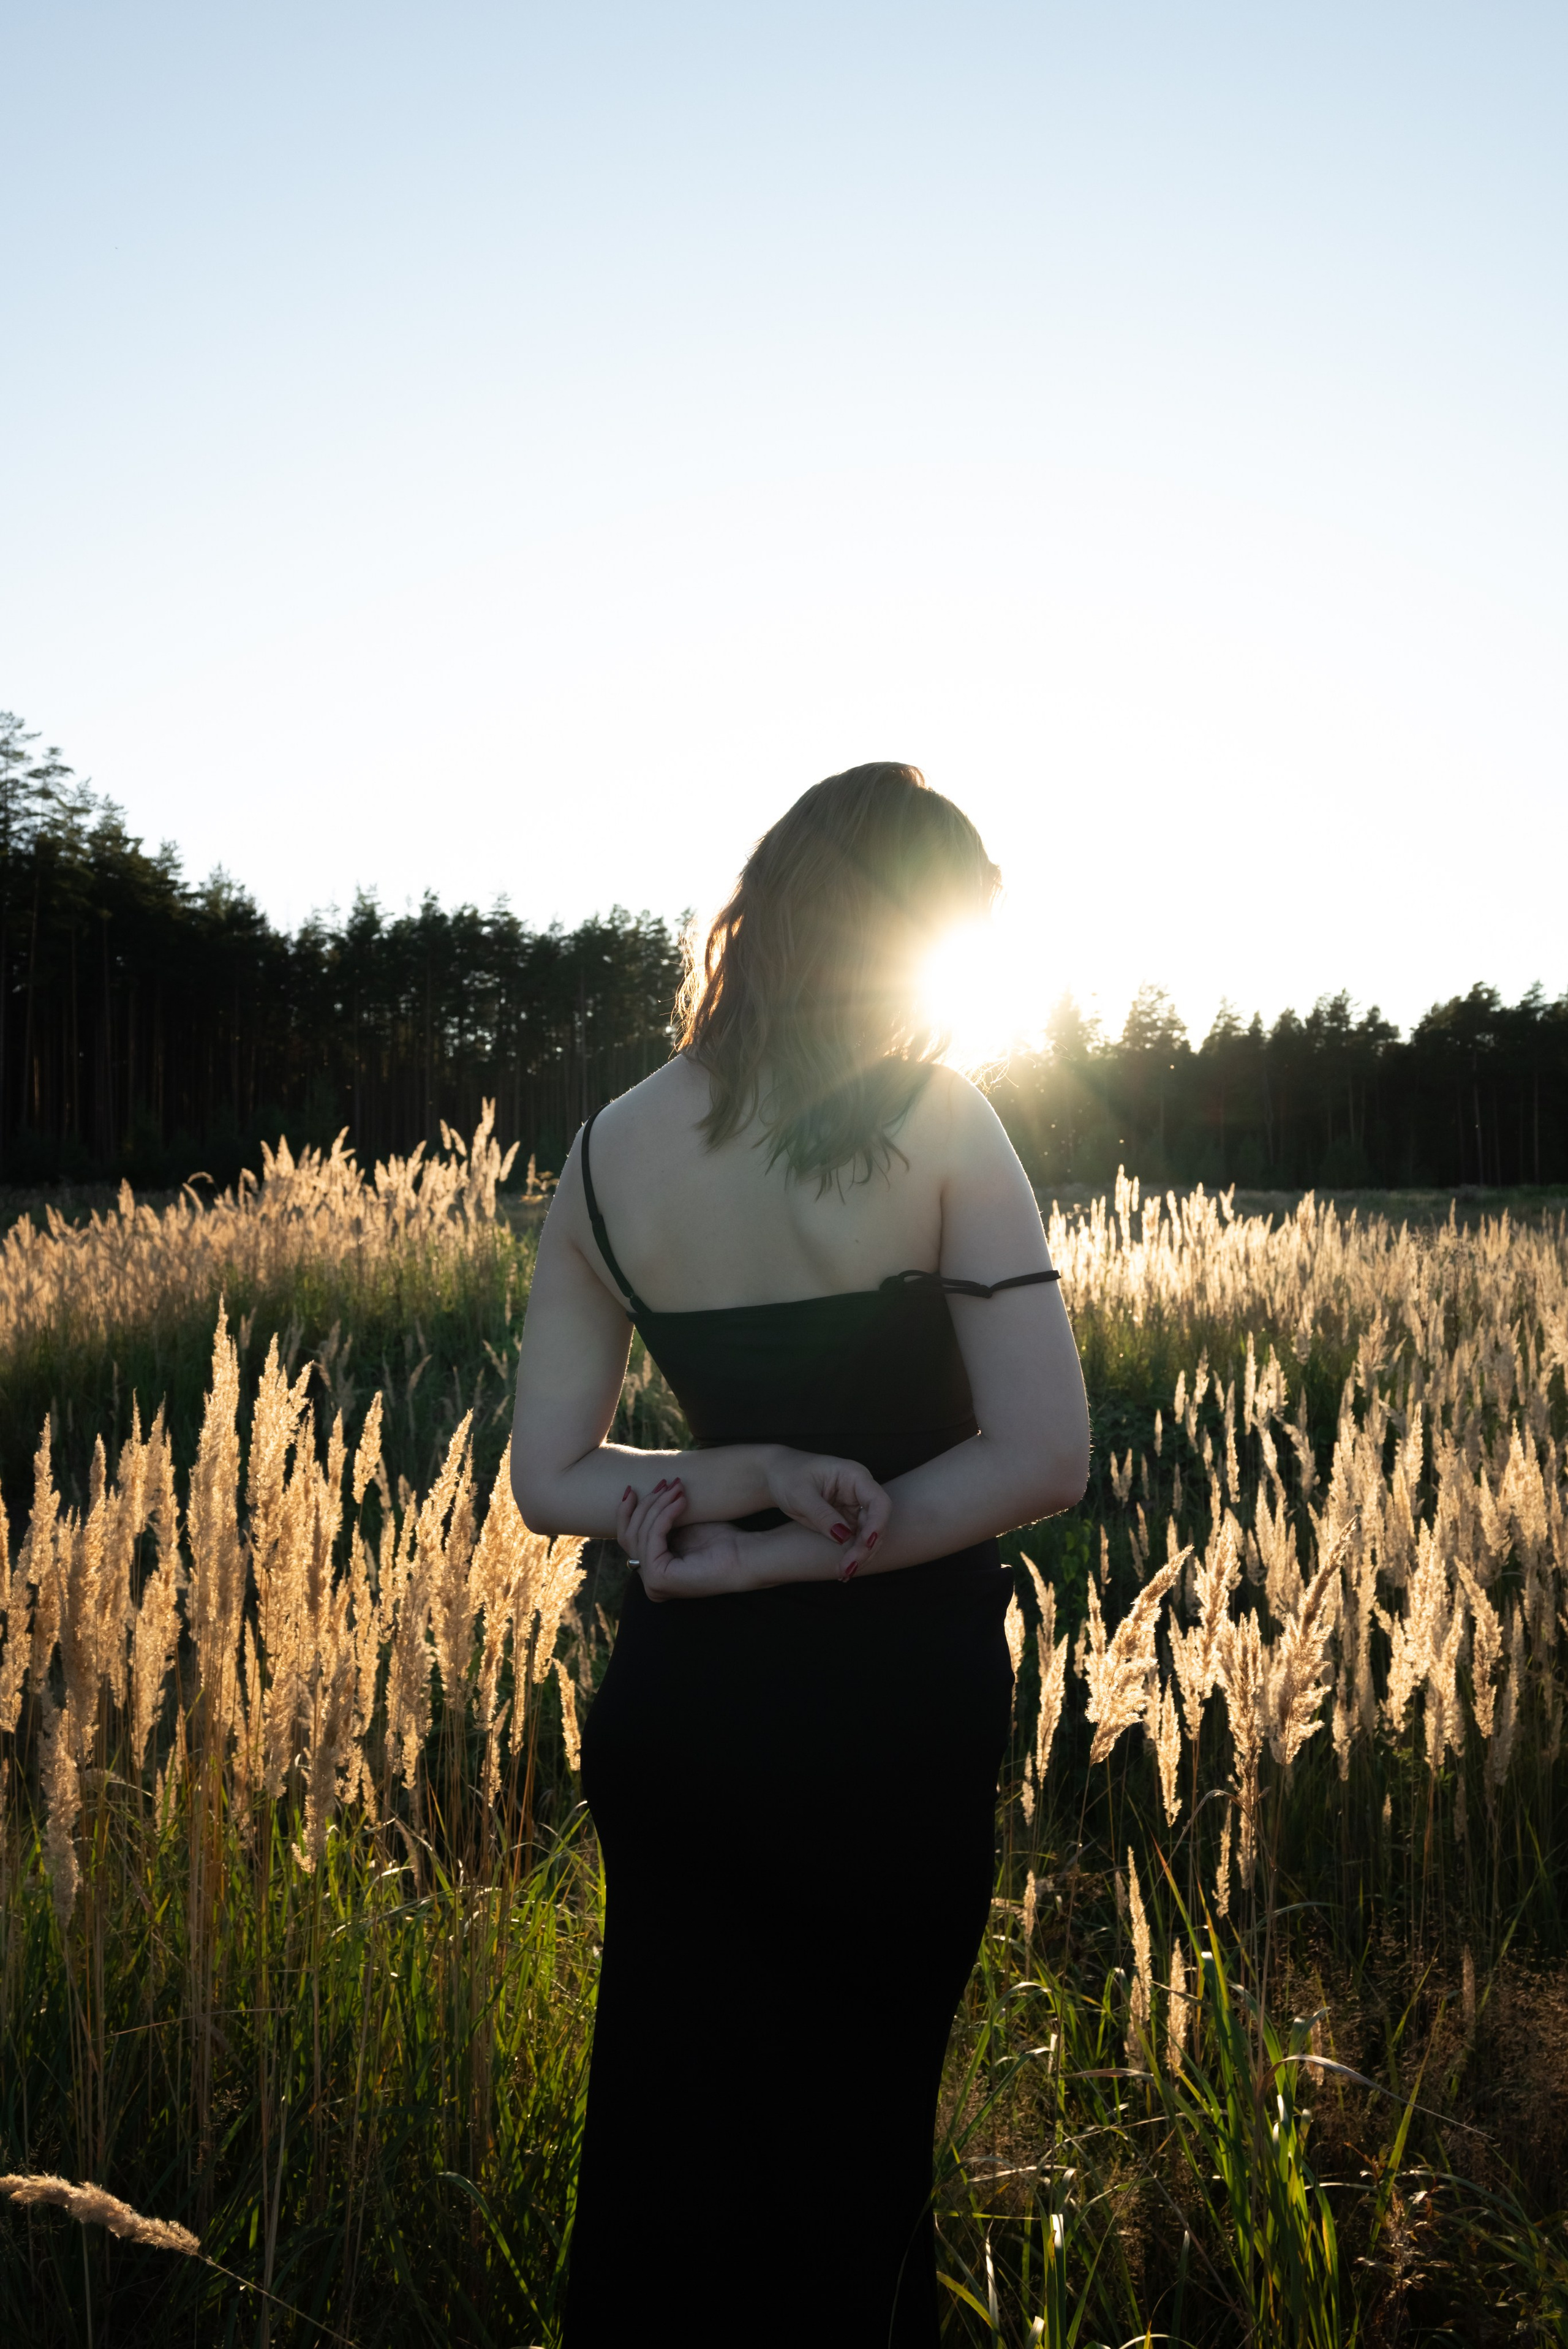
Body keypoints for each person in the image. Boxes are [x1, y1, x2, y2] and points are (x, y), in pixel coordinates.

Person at [510, 763, 1090, 2347]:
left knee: (659, 2170)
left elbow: (550, 1476)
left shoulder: (611, 1147)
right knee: (852, 2180)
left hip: (680, 1716)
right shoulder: (943, 1121)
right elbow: (1046, 1452)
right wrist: (790, 1534)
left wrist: (736, 1483)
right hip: (887, 1717)